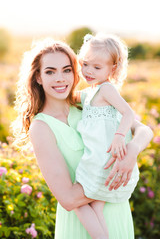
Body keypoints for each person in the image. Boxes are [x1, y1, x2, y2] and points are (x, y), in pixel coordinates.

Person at [12, 37, 153, 239]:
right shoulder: (41, 127)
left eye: (67, 70)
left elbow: (144, 130)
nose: (60, 78)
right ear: (38, 77)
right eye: (50, 71)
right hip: (81, 226)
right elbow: (68, 199)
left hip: (116, 214)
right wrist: (110, 179)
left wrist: (132, 151)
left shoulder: (88, 102)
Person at [73, 33, 139, 239]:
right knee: (96, 209)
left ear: (113, 69)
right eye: (85, 64)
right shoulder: (91, 91)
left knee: (85, 204)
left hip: (104, 158)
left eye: (97, 67)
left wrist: (120, 135)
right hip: (99, 157)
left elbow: (129, 113)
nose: (88, 71)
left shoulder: (106, 88)